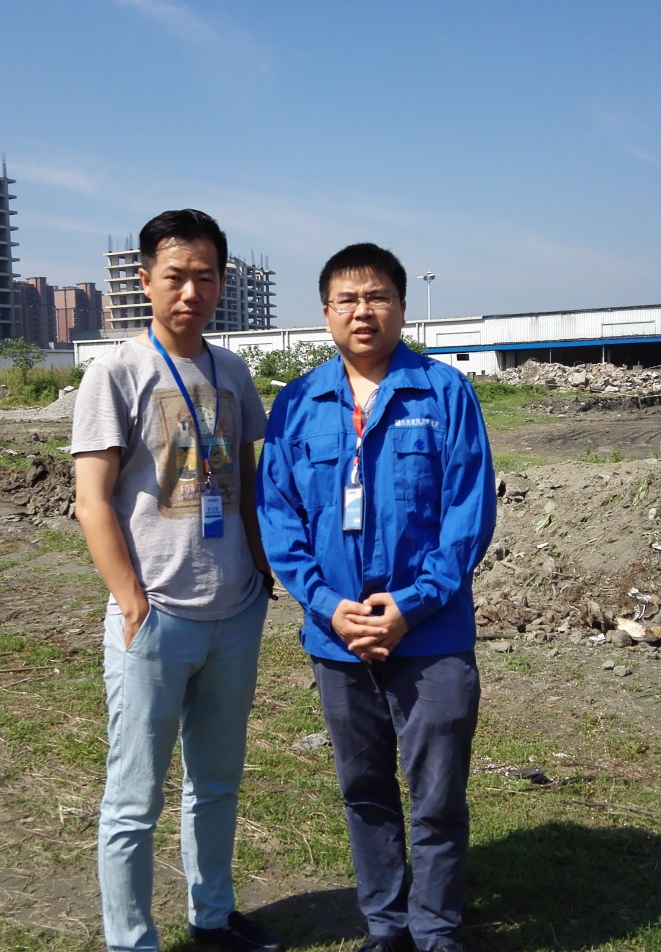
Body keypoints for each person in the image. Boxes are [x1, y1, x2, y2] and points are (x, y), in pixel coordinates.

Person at [257, 243, 496, 952]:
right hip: (337, 637)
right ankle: (386, 927)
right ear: (326, 313)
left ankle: (436, 929)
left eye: (377, 296)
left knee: (437, 795)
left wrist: (411, 605)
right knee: (363, 790)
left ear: (401, 305)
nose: (363, 311)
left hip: (430, 635)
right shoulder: (297, 404)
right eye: (348, 300)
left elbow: (467, 514)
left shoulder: (444, 393)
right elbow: (278, 519)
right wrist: (327, 605)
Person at [72, 209, 280, 952]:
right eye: (175, 276)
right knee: (133, 800)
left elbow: (244, 482)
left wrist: (260, 573)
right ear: (144, 281)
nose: (191, 292)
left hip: (234, 612)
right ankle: (131, 940)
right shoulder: (115, 372)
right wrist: (132, 601)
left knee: (216, 783)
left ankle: (212, 917)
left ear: (221, 282)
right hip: (156, 616)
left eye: (205, 277)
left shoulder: (232, 371)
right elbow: (91, 500)